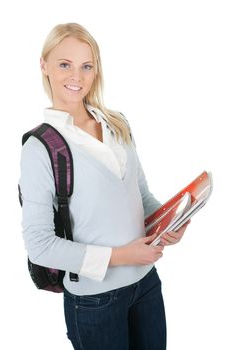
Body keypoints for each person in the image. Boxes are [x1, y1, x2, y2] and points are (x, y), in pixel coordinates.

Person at [19, 22, 189, 350]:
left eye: (87, 66)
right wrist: (123, 255)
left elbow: (139, 195)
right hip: (95, 300)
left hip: (146, 284)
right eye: (64, 64)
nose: (76, 77)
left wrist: (169, 222)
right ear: (44, 66)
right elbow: (39, 244)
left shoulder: (116, 123)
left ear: (96, 69)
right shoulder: (40, 147)